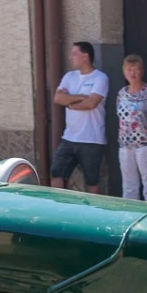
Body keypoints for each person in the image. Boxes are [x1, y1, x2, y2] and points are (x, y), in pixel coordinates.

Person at [50, 41, 109, 194]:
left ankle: (93, 212)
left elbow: (91, 103)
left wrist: (69, 102)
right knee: (56, 173)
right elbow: (57, 98)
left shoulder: (100, 78)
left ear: (85, 56)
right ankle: (60, 209)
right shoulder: (69, 77)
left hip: (91, 140)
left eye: (74, 53)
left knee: (92, 181)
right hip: (69, 138)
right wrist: (79, 97)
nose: (70, 57)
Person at [113, 54, 147, 202]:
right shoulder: (121, 93)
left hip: (145, 144)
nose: (132, 73)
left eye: (135, 69)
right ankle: (129, 217)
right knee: (129, 186)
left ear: (142, 71)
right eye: (129, 69)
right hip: (125, 145)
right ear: (124, 71)